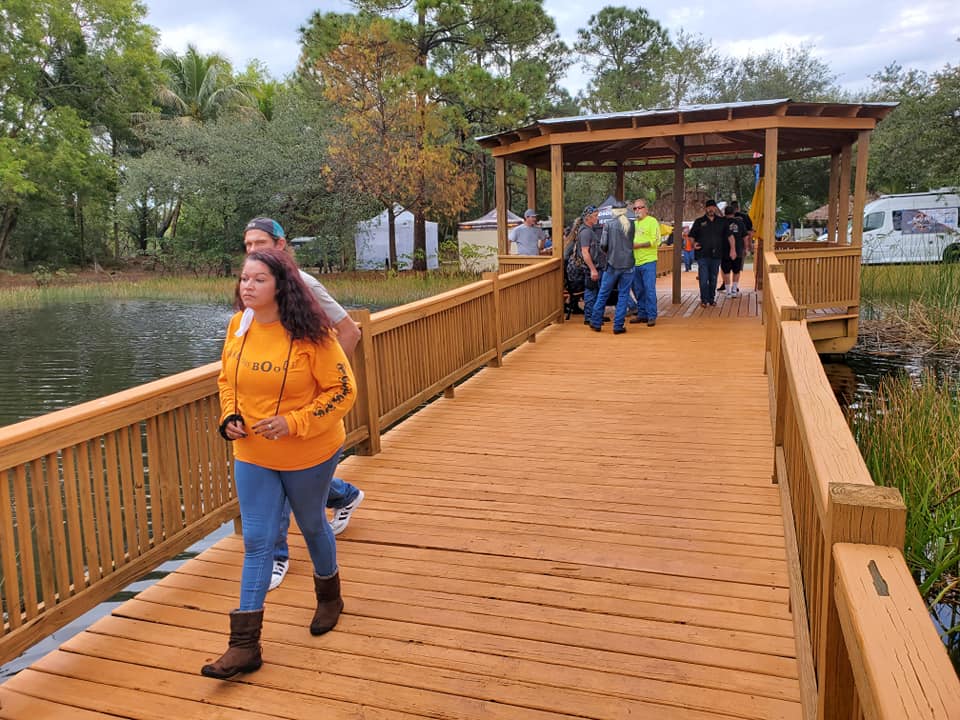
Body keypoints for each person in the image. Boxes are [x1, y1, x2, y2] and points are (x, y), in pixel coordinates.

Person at [202, 248, 356, 679]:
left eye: (258, 280)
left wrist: (294, 422)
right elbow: (227, 379)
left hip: (309, 451)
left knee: (311, 524)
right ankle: (244, 646)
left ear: (281, 286)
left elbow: (343, 391)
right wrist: (229, 416)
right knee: (258, 540)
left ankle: (329, 596)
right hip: (253, 452)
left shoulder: (312, 335)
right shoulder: (240, 325)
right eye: (244, 279)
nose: (247, 287)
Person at [242, 217, 364, 592]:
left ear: (281, 245)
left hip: (304, 420)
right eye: (247, 245)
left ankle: (279, 558)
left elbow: (349, 332)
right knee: (290, 487)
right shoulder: (249, 300)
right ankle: (344, 494)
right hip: (264, 426)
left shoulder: (304, 283)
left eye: (261, 243)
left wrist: (317, 384)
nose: (253, 251)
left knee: (297, 501)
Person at [589, 201, 635, 334]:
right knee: (624, 295)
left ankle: (596, 322)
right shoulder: (631, 224)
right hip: (628, 263)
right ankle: (618, 326)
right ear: (625, 211)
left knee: (603, 293)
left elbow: (603, 245)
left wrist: (609, 252)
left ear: (614, 211)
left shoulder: (609, 224)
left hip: (613, 263)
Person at [688, 199, 728, 307]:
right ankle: (704, 300)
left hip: (717, 255)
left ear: (715, 208)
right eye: (709, 207)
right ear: (705, 209)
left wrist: (731, 249)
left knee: (713, 278)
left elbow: (728, 236)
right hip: (702, 255)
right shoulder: (699, 221)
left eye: (713, 207)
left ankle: (711, 299)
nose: (711, 209)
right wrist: (693, 244)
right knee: (703, 278)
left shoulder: (722, 221)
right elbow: (691, 236)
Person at [630, 198, 660, 327]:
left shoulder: (652, 221)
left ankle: (651, 315)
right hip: (635, 261)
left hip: (649, 261)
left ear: (646, 209)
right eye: (635, 208)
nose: (637, 210)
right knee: (638, 290)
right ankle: (642, 314)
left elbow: (656, 240)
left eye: (640, 207)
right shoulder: (633, 224)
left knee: (649, 289)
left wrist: (639, 245)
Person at [578, 205, 604, 327]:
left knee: (595, 292)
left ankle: (595, 315)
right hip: (590, 268)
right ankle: (589, 317)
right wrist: (592, 269)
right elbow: (585, 252)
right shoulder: (585, 232)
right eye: (595, 216)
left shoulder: (590, 230)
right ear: (588, 217)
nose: (597, 218)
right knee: (591, 292)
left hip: (596, 266)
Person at [720, 201, 754, 291]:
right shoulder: (740, 222)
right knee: (736, 270)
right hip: (738, 250)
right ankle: (734, 289)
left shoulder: (721, 222)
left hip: (724, 251)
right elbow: (746, 236)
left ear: (725, 213)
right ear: (734, 212)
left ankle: (727, 290)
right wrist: (746, 248)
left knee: (726, 271)